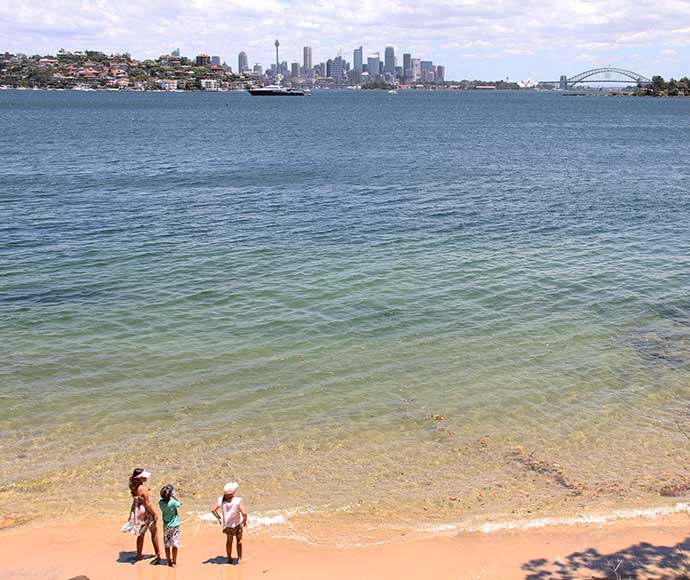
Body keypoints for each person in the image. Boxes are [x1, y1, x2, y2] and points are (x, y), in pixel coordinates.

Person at [123, 468, 161, 564]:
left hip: (137, 510)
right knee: (154, 531)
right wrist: (154, 513)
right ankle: (158, 553)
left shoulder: (134, 487)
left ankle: (139, 555)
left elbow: (139, 494)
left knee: (141, 534)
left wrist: (146, 490)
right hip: (145, 511)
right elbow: (148, 504)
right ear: (140, 478)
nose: (146, 478)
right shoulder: (143, 489)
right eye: (144, 476)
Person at [211, 482, 248, 564]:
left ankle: (229, 558)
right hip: (237, 524)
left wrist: (219, 517)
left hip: (227, 525)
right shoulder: (237, 501)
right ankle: (240, 559)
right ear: (233, 493)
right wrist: (244, 520)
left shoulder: (221, 500)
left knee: (229, 542)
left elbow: (213, 510)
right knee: (239, 541)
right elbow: (244, 513)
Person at [159, 484, 181, 567]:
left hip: (166, 525)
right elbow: (180, 504)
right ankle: (174, 561)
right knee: (175, 544)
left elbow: (163, 498)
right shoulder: (173, 502)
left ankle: (168, 561)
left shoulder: (160, 502)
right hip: (175, 526)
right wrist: (175, 497)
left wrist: (168, 494)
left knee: (167, 544)